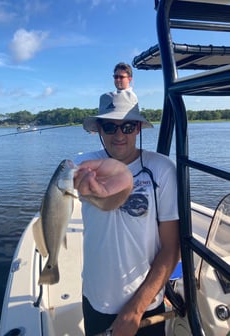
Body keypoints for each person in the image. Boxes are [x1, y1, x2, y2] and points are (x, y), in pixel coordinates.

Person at [74, 90, 180, 336]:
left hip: (146, 304)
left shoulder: (161, 169)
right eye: (110, 127)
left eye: (128, 126)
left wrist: (135, 309)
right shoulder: (85, 165)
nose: (119, 135)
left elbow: (171, 248)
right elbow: (102, 201)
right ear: (98, 130)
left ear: (138, 129)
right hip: (95, 298)